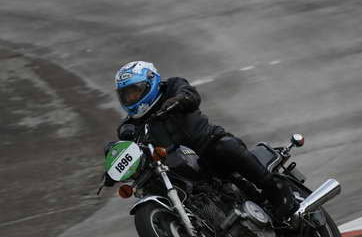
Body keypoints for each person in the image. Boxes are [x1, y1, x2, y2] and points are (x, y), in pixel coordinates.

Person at [110, 60, 298, 221]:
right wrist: (111, 165)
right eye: (126, 95)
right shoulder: (130, 126)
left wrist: (179, 100)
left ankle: (276, 189)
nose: (131, 98)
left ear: (151, 82)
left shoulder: (172, 87)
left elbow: (190, 94)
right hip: (178, 167)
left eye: (134, 92)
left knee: (225, 147)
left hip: (207, 144)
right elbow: (124, 149)